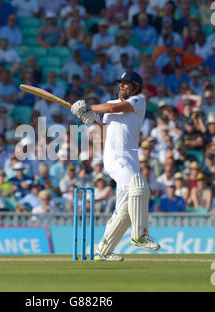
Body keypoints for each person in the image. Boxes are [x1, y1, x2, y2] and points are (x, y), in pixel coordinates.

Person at [71, 70, 160, 262]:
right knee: (140, 188)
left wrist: (88, 107)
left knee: (126, 210)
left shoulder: (138, 101)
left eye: (126, 84)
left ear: (136, 87)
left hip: (131, 158)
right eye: (121, 83)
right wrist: (90, 119)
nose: (122, 86)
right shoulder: (108, 105)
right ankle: (140, 235)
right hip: (115, 158)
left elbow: (114, 110)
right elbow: (106, 126)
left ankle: (103, 251)